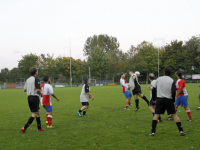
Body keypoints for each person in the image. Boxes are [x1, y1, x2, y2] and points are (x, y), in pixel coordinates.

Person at [149, 67, 186, 136]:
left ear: (164, 72)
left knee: (156, 115)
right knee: (174, 115)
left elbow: (153, 89)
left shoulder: (159, 79)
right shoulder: (172, 80)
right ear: (170, 73)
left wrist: (154, 98)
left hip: (159, 99)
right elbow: (173, 91)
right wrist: (172, 100)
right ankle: (181, 131)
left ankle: (152, 132)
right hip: (168, 100)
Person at [21, 67, 45, 133]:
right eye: (37, 71)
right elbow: (37, 90)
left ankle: (39, 128)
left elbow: (24, 90)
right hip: (34, 97)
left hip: (29, 97)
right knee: (34, 114)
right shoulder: (36, 79)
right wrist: (41, 94)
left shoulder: (27, 80)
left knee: (38, 111)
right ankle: (24, 127)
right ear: (35, 72)